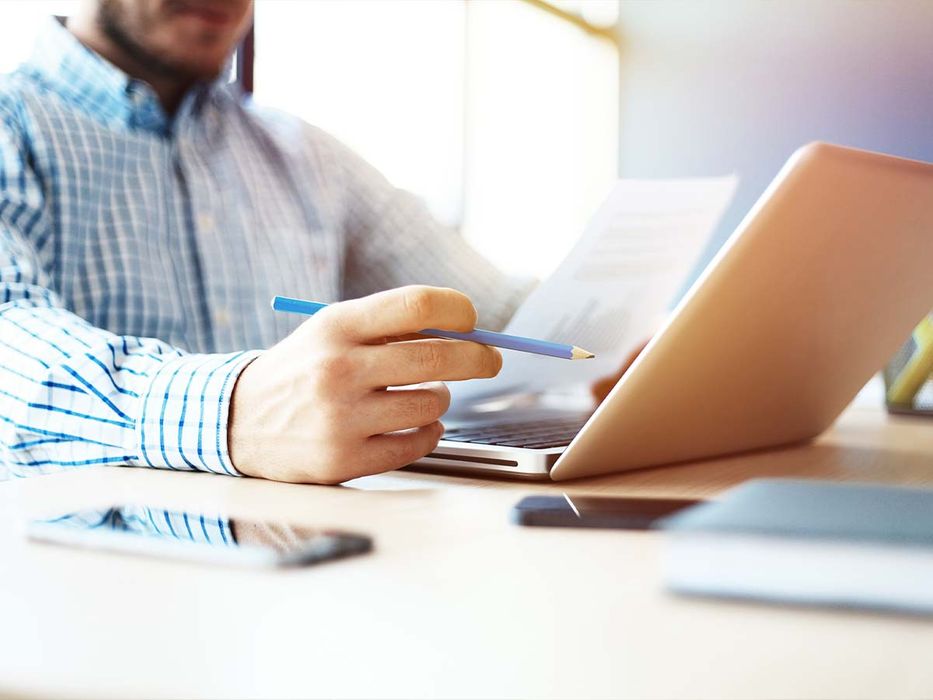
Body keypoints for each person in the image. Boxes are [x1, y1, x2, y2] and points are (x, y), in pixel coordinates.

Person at [0, 0, 625, 485]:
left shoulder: (303, 154)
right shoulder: (12, 125)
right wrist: (229, 409)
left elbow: (491, 306)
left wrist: (632, 340)